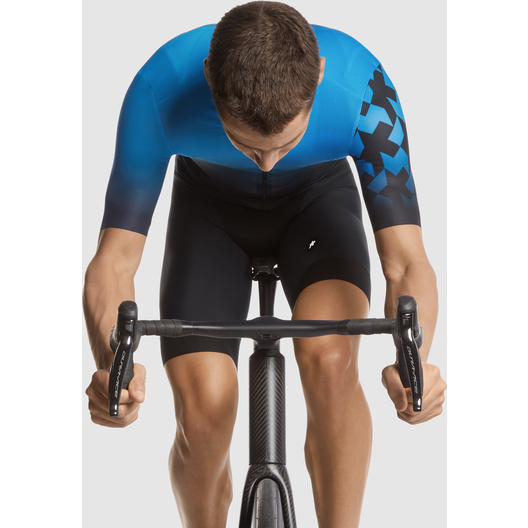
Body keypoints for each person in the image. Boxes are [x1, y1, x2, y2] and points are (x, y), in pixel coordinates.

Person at [83, 2, 446, 527]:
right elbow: (114, 261)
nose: (270, 162)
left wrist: (417, 365)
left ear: (318, 76)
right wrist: (111, 366)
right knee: (204, 408)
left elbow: (407, 262)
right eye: (247, 146)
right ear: (209, 78)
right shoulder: (159, 88)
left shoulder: (364, 88)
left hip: (318, 204)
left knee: (330, 360)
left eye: (287, 143)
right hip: (210, 214)